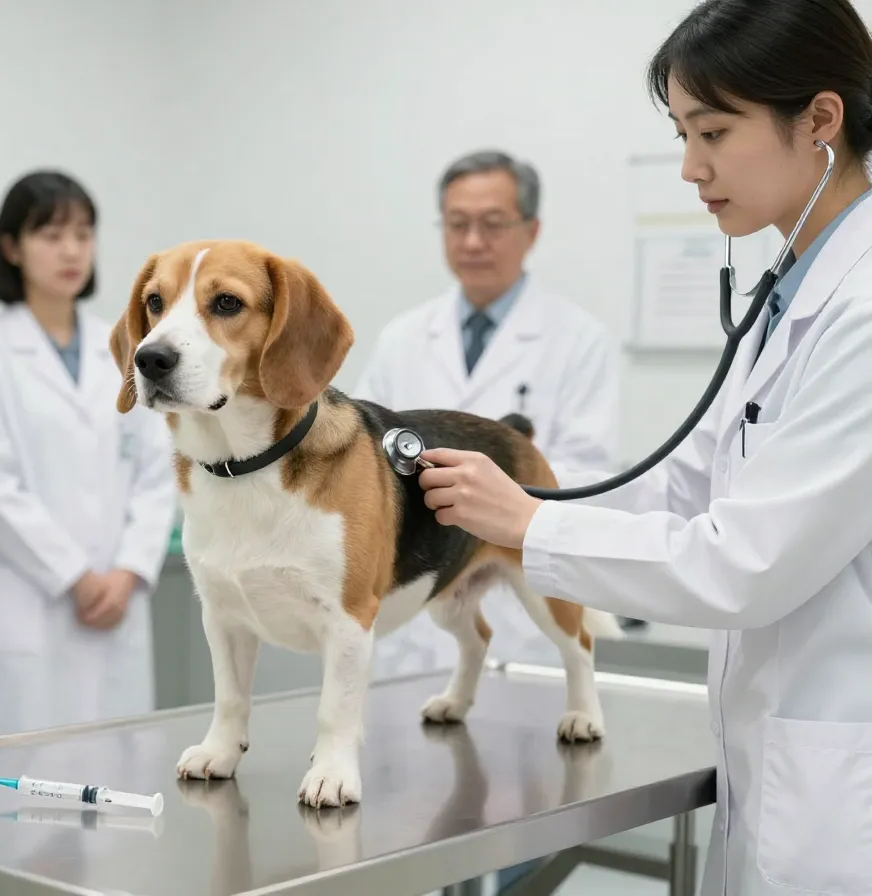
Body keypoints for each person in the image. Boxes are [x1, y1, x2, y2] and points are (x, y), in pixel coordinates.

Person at [417, 1, 872, 893]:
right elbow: (676, 489)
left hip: (838, 792)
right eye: (681, 132)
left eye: (713, 130)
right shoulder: (793, 291)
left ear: (821, 119)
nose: (691, 168)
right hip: (780, 766)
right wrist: (526, 504)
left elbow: (745, 564)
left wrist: (527, 525)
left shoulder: (862, 310)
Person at [352, 150, 622, 677]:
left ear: (531, 229)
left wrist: (493, 491)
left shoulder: (579, 339)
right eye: (458, 225)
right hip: (409, 605)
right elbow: (362, 460)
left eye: (492, 224)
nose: (473, 242)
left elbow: (586, 470)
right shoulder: (402, 338)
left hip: (521, 608)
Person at [0, 170, 176, 741]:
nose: (71, 250)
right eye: (50, 234)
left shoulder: (125, 346)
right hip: (28, 604)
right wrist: (73, 576)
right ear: (11, 248)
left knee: (112, 796)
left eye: (83, 233)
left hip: (115, 604)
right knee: (17, 795)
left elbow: (159, 466)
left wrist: (128, 570)